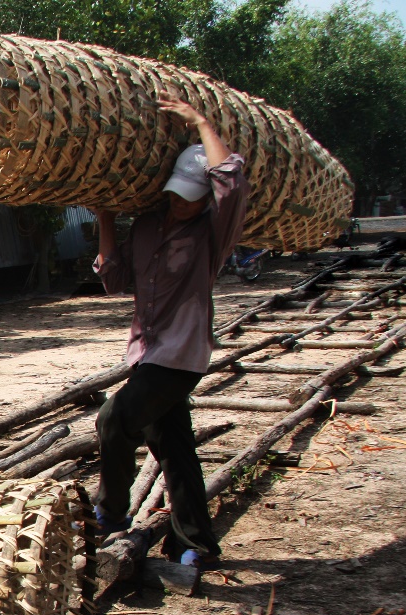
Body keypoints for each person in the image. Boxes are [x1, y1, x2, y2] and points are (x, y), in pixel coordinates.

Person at [91, 96, 250, 571]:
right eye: (176, 193)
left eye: (191, 196)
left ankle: (110, 514)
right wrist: (103, 220)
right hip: (146, 353)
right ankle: (197, 544)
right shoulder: (145, 227)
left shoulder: (211, 234)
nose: (181, 203)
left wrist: (201, 122)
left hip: (180, 357)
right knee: (175, 449)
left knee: (113, 419)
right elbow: (115, 279)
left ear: (204, 197)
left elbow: (232, 184)